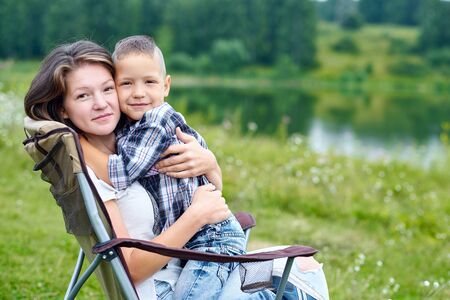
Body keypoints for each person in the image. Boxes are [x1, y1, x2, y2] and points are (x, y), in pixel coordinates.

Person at [24, 40, 329, 300]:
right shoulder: (92, 168)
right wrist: (197, 216)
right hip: (168, 285)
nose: (102, 103)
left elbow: (202, 191)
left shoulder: (130, 138)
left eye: (107, 88)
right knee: (299, 273)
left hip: (193, 259)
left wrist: (210, 164)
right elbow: (129, 265)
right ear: (63, 109)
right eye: (83, 96)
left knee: (301, 265)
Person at [80, 35, 246, 299]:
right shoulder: (129, 125)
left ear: (166, 86)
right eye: (126, 84)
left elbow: (120, 173)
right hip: (192, 240)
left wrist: (74, 144)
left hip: (212, 240)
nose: (138, 92)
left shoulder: (156, 121)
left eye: (149, 82)